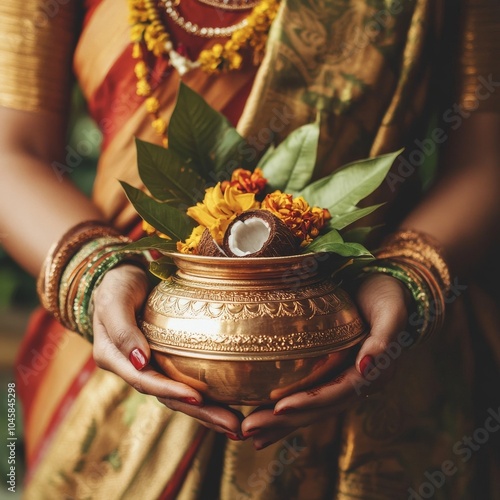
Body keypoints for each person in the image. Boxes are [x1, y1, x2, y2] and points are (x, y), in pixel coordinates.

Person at [1, 0, 499, 498]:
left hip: (371, 341)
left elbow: (485, 158)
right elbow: (11, 151)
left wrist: (409, 277)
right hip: (123, 335)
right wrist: (96, 274)